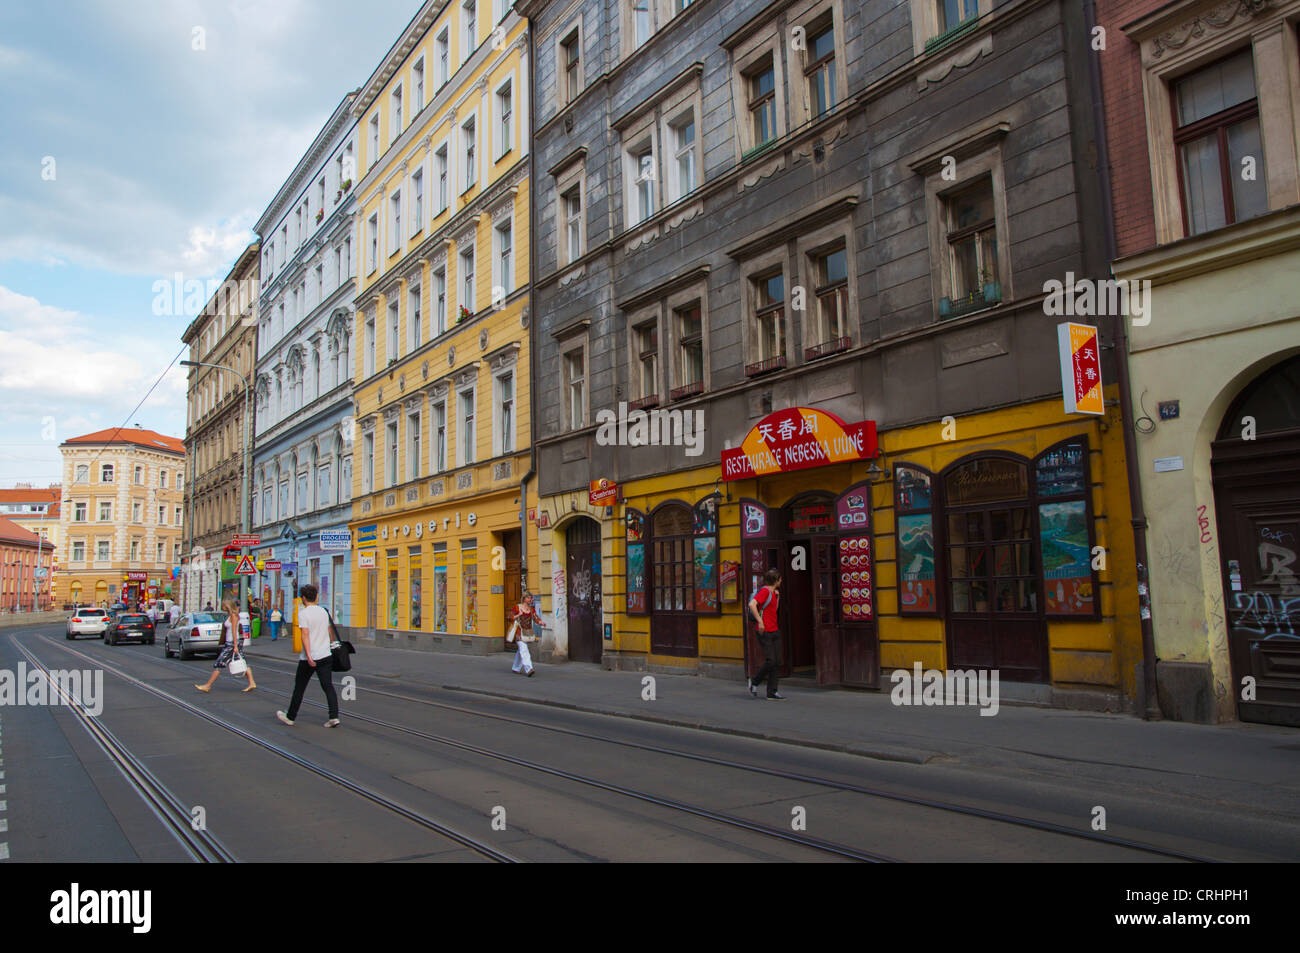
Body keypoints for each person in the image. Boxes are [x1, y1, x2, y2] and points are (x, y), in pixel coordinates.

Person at [276, 583, 340, 727]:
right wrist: (332, 645)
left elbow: (305, 635)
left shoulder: (304, 613)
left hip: (309, 658)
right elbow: (330, 631)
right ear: (316, 597)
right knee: (328, 686)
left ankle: (290, 716)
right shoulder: (323, 611)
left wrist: (309, 656)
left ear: (303, 598)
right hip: (325, 655)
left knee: (299, 687)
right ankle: (334, 716)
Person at [196, 600, 256, 693]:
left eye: (223, 605)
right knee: (242, 662)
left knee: (219, 663)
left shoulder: (234, 616)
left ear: (228, 606)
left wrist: (235, 646)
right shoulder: (230, 616)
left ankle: (207, 686)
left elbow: (234, 632)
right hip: (231, 643)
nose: (222, 607)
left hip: (232, 644)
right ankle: (252, 683)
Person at [747, 569, 785, 700]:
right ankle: (754, 681)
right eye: (780, 578)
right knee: (771, 660)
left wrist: (777, 596)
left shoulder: (774, 593)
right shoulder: (764, 591)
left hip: (774, 629)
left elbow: (774, 610)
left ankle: (772, 692)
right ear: (775, 580)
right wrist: (760, 621)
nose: (781, 581)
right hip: (764, 630)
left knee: (777, 661)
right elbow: (752, 604)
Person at [508, 592, 549, 677]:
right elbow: (509, 617)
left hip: (527, 632)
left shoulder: (531, 609)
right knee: (524, 649)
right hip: (519, 632)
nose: (530, 600)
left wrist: (541, 622)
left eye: (531, 598)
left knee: (521, 650)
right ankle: (529, 668)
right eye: (529, 598)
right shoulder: (517, 607)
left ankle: (515, 667)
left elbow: (535, 618)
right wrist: (518, 615)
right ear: (524, 598)